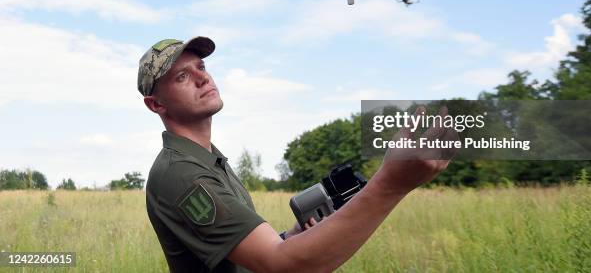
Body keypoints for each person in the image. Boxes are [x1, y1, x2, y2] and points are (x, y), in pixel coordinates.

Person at [139, 36, 452, 273]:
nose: (203, 78)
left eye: (202, 67)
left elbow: (251, 255)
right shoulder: (181, 173)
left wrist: (291, 236)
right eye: (182, 76)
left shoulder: (208, 159)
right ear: (156, 105)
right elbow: (282, 265)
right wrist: (390, 184)